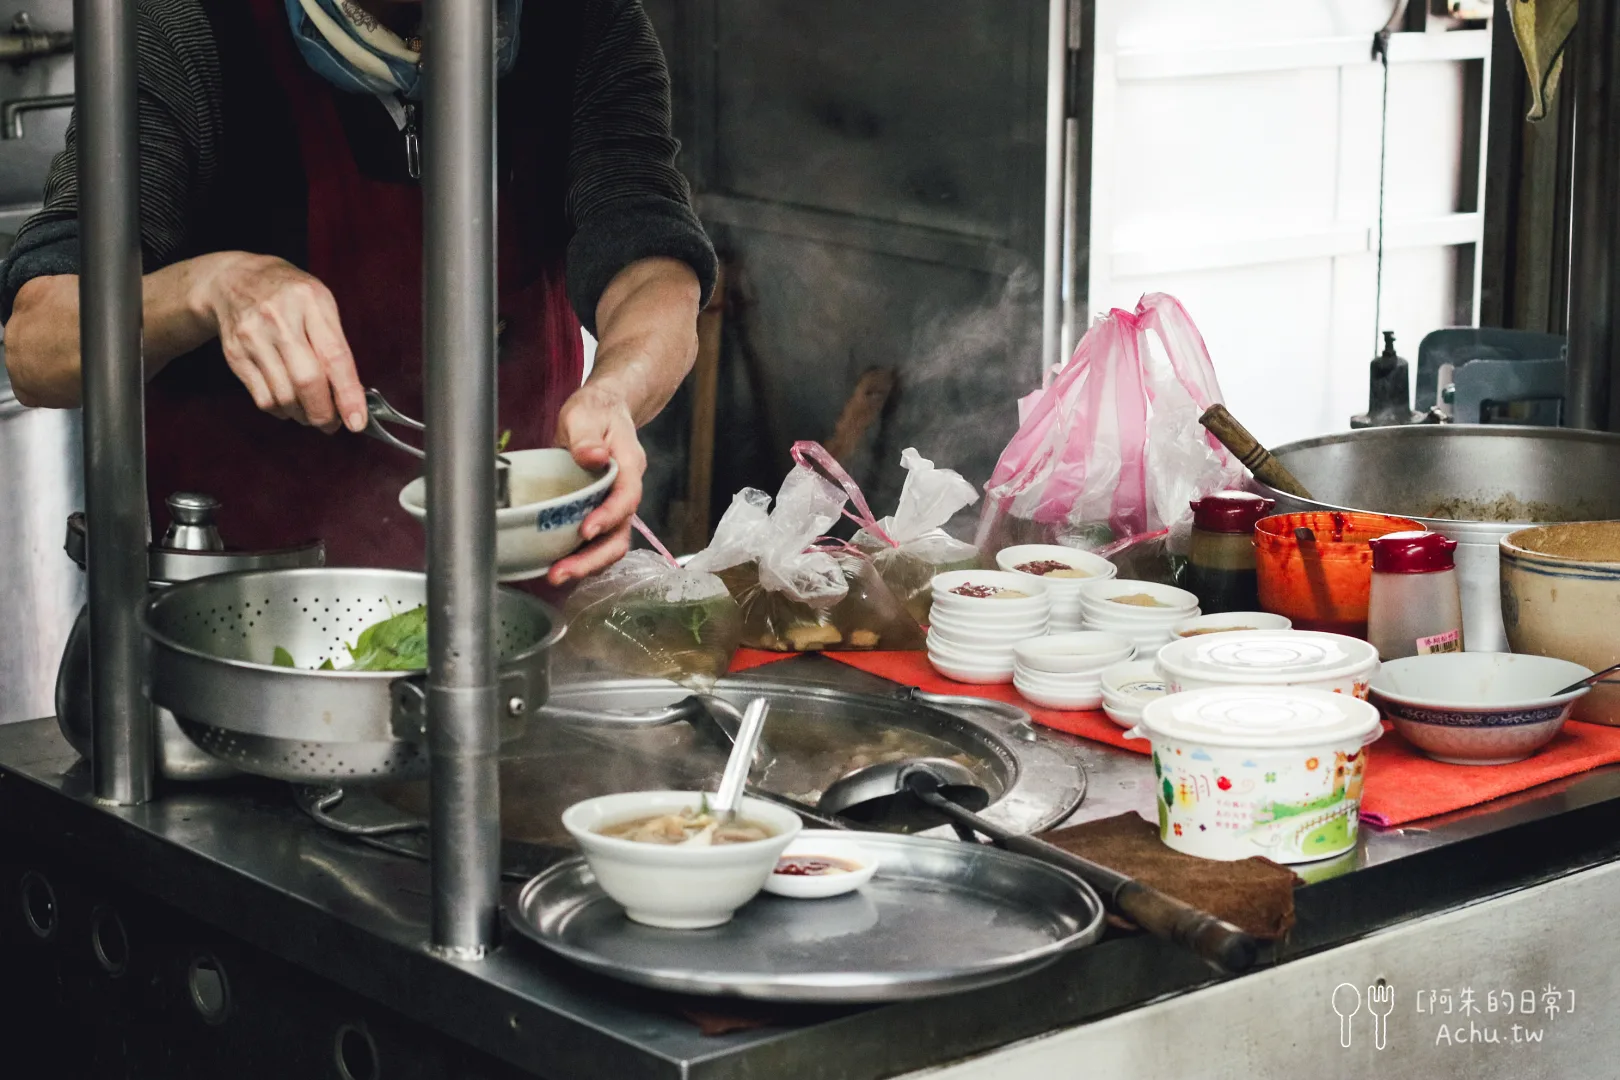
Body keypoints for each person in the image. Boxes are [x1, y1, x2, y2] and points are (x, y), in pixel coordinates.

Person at [0, 0, 715, 586]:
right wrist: (212, 287)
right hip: (254, 624)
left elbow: (650, 261)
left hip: (517, 599)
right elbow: (38, 348)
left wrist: (616, 391)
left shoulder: (582, 21)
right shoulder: (192, 25)